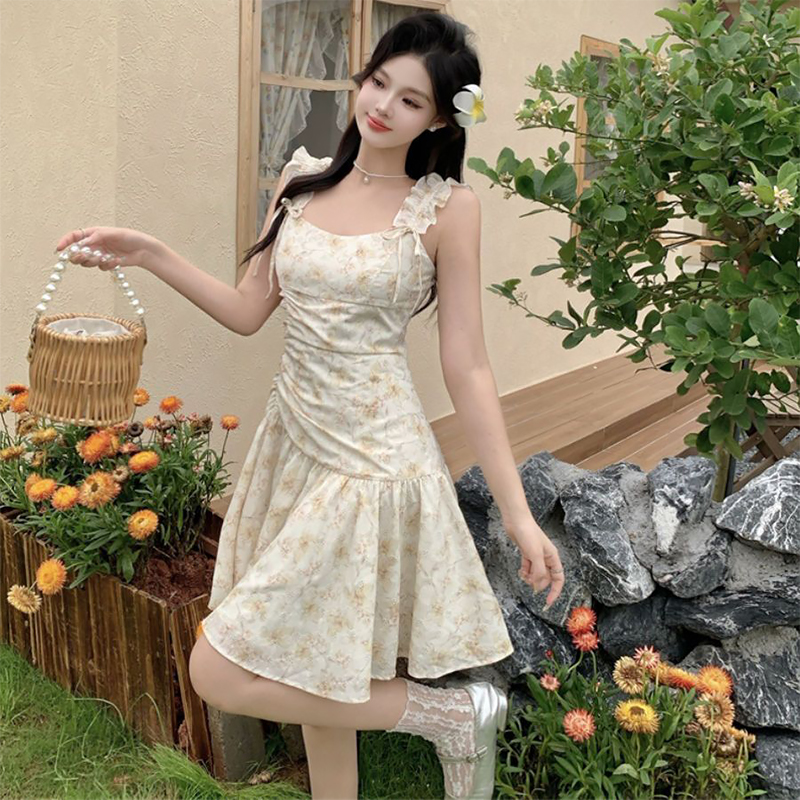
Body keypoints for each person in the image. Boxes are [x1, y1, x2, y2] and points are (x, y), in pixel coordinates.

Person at [54, 11, 565, 799]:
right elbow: (247, 310)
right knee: (317, 654)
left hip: (372, 462)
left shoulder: (446, 209)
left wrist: (518, 513)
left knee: (216, 670)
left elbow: (466, 364)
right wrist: (149, 252)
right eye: (378, 81)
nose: (383, 105)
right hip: (294, 444)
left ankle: (452, 716)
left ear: (440, 119)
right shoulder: (302, 181)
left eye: (411, 99)